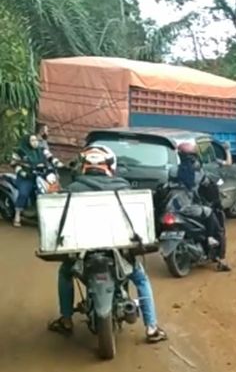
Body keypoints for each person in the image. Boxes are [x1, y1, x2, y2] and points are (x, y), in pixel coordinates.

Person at [47, 145, 168, 343]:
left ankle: (67, 320)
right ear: (110, 166)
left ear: (84, 166)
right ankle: (152, 328)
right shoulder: (123, 187)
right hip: (118, 251)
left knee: (65, 273)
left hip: (84, 251)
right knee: (141, 279)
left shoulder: (72, 190)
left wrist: (53, 193)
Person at [173, 142, 231, 272]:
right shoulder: (197, 171)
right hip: (189, 206)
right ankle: (211, 241)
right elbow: (207, 185)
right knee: (211, 215)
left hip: (173, 206)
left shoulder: (173, 170)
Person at [9, 133, 63, 227]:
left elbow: (50, 157)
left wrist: (58, 163)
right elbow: (14, 164)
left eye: (36, 140)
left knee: (53, 189)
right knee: (24, 193)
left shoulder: (42, 150)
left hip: (41, 174)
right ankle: (17, 215)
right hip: (26, 177)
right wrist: (23, 173)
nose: (35, 142)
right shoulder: (19, 151)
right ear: (27, 142)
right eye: (32, 140)